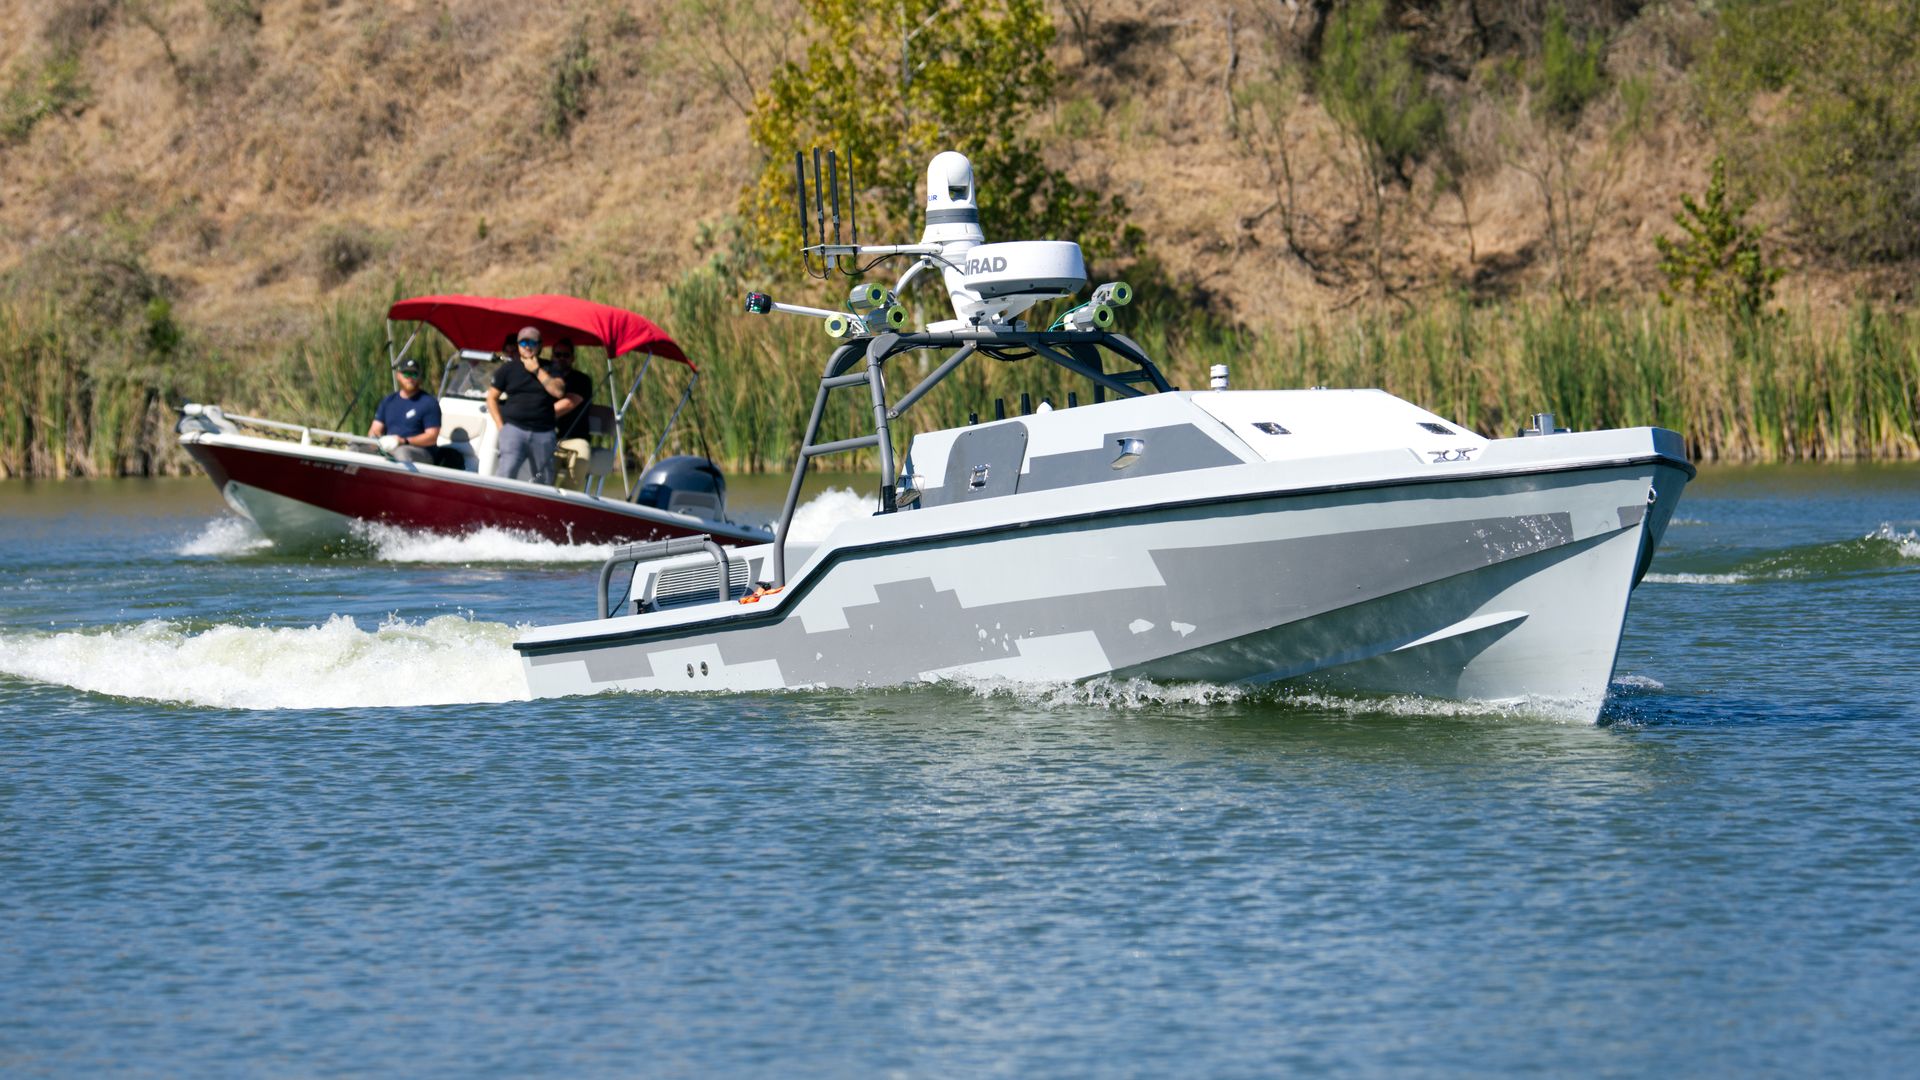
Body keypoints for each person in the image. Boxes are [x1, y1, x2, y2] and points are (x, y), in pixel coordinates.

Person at [487, 325, 569, 484]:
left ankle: (540, 508)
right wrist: (501, 427)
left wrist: (537, 370)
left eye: (532, 343)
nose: (527, 347)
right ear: (518, 346)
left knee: (543, 478)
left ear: (539, 346)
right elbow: (492, 398)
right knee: (506, 472)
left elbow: (558, 392)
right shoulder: (507, 369)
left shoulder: (551, 368)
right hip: (513, 430)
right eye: (524, 343)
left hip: (543, 433)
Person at [369, 358, 442, 465]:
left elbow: (432, 437)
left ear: (419, 377)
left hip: (420, 452)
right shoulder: (388, 401)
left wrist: (404, 441)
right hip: (390, 448)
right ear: (398, 375)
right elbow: (374, 429)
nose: (410, 378)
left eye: (414, 374)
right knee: (356, 446)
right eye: (406, 374)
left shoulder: (429, 403)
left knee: (402, 453)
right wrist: (377, 442)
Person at [549, 337, 595, 487]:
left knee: (581, 458)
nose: (561, 358)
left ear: (573, 358)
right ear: (551, 356)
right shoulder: (544, 378)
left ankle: (564, 498)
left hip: (575, 439)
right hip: (547, 437)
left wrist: (537, 415)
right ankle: (540, 496)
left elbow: (568, 403)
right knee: (542, 470)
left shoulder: (581, 380)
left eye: (566, 355)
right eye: (558, 354)